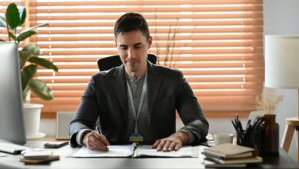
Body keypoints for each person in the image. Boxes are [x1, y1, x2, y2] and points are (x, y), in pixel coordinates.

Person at [69, 13, 209, 152]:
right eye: (124, 47)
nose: (131, 56)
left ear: (149, 43)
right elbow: (77, 124)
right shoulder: (99, 82)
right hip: (111, 156)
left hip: (160, 155)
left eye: (137, 46)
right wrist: (85, 135)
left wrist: (179, 136)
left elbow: (199, 122)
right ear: (116, 45)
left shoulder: (173, 79)